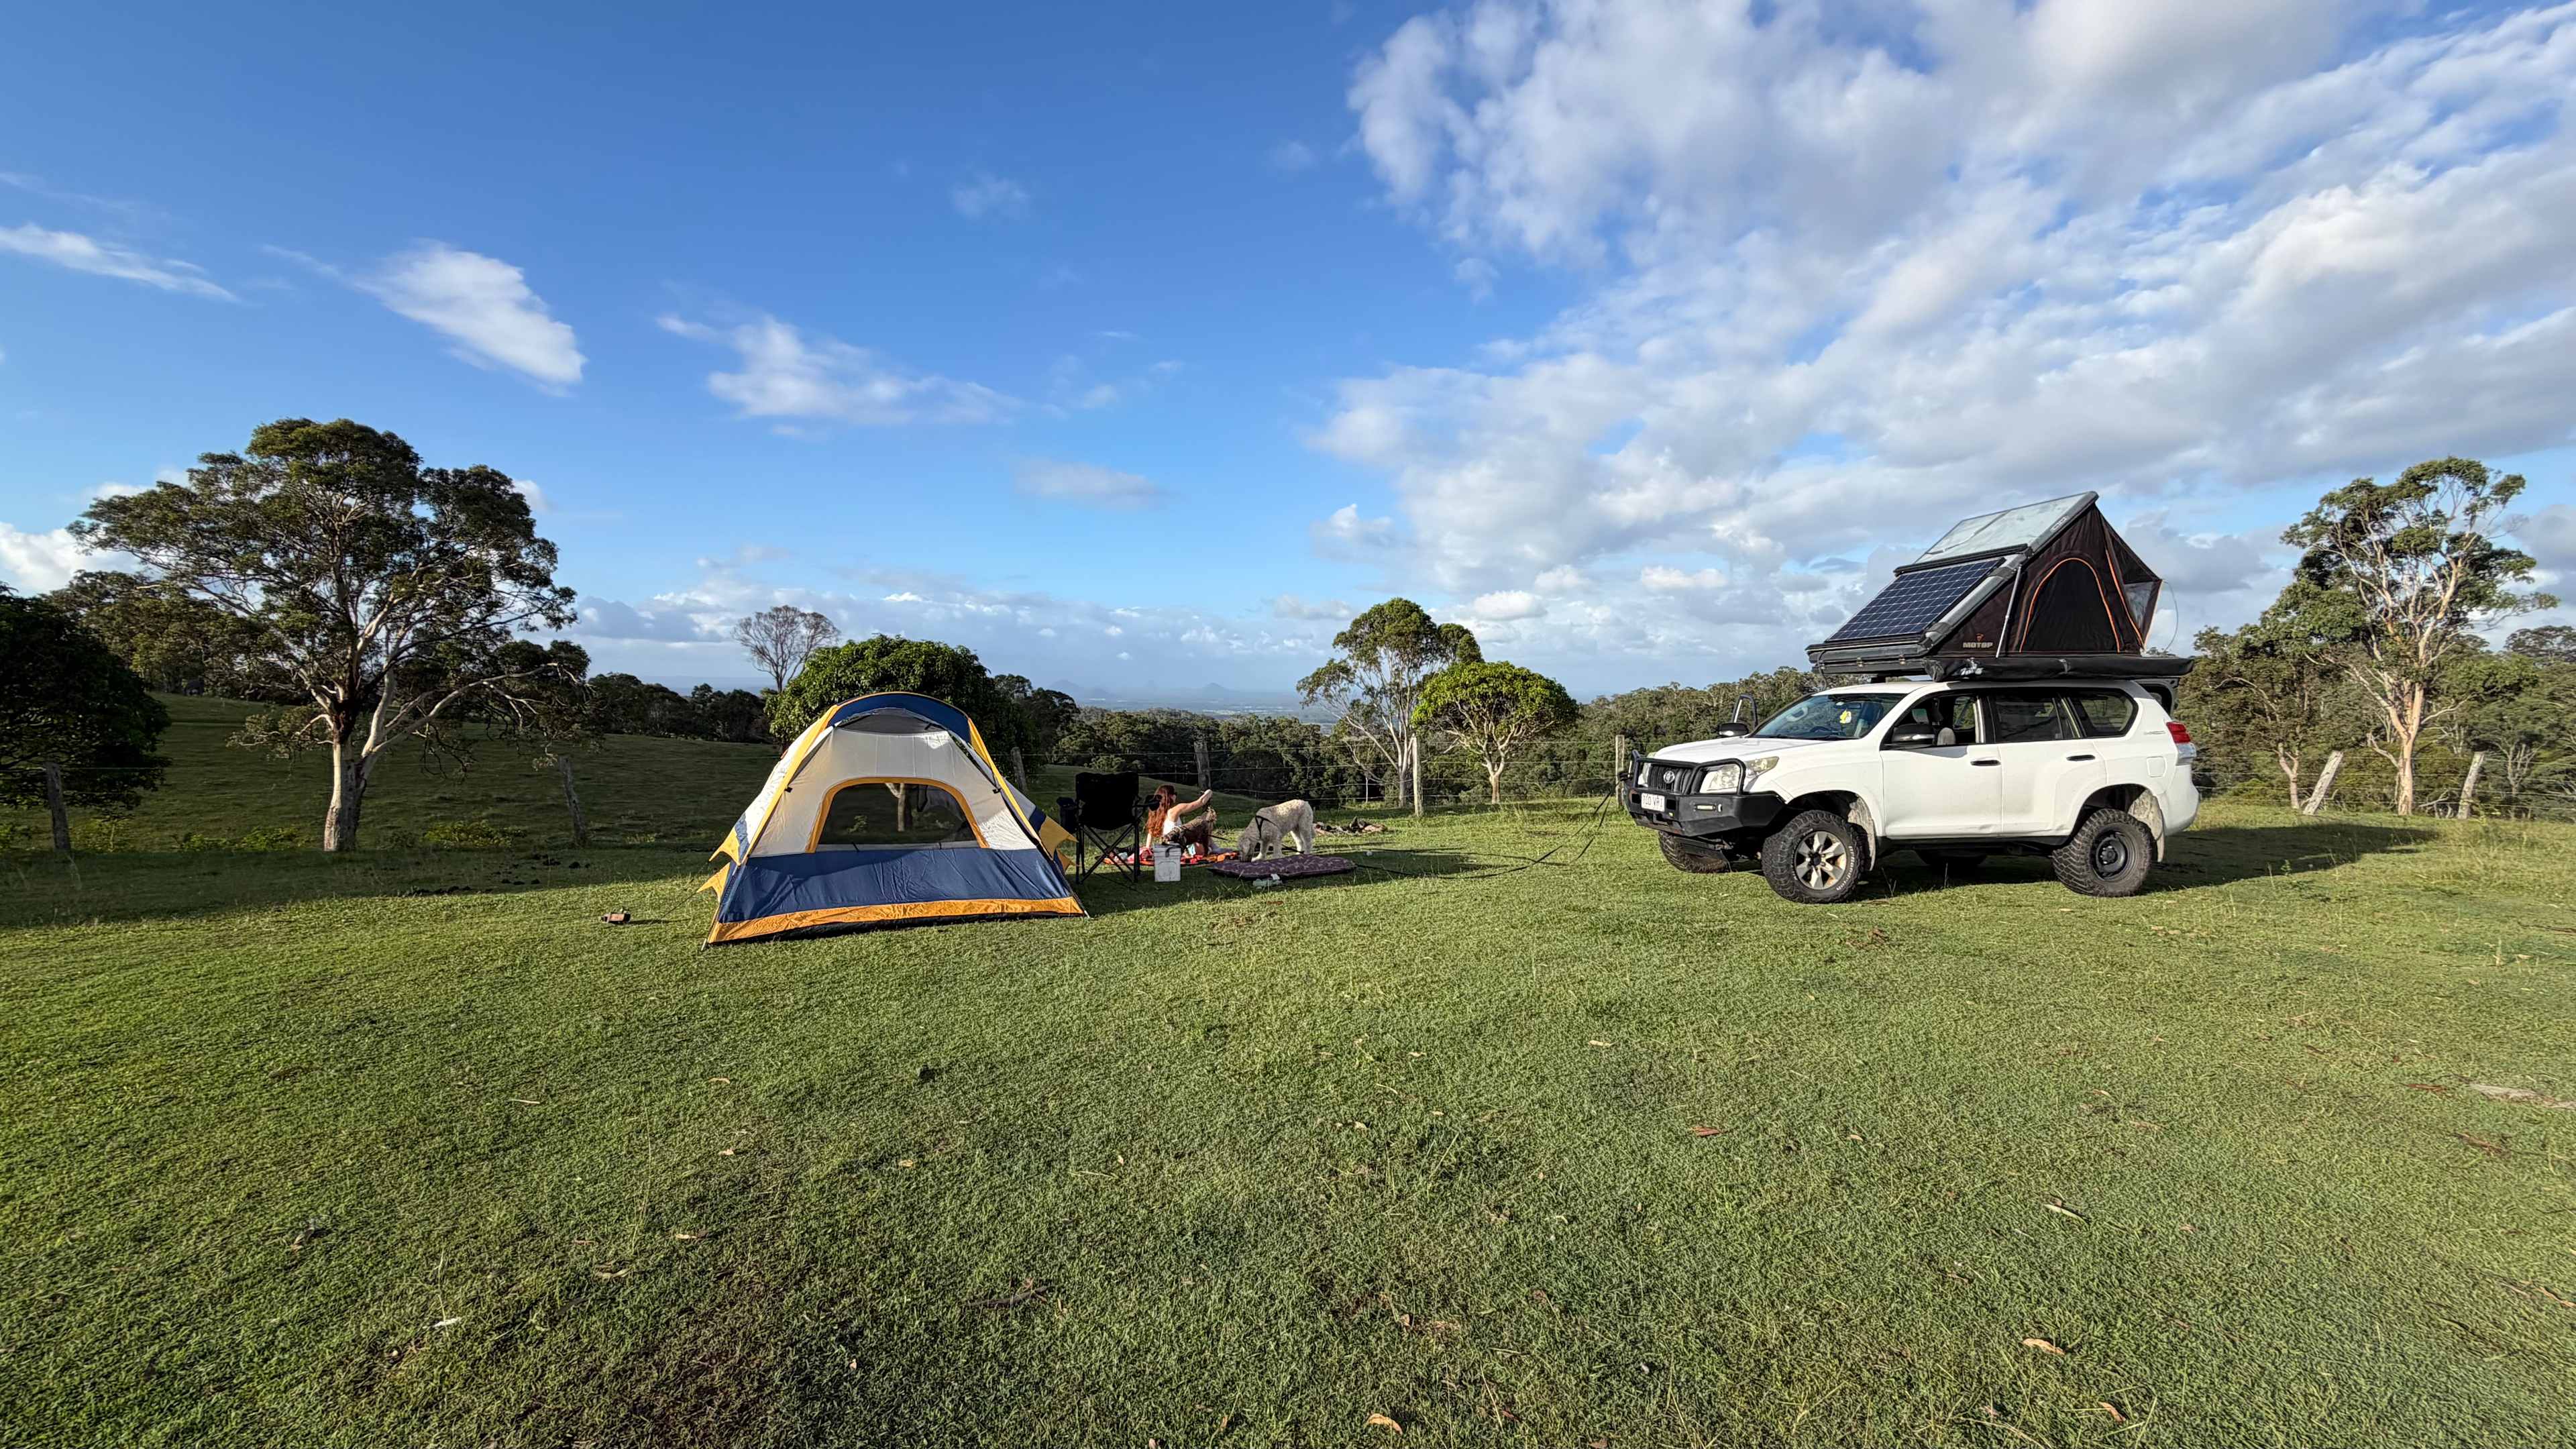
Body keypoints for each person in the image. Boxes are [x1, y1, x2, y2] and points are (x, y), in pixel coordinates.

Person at [1146, 784, 1217, 857]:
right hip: (1181, 846)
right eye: (1175, 794)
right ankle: (1214, 849)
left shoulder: (1155, 812)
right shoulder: (1175, 810)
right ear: (1170, 796)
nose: (1176, 796)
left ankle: (1214, 848)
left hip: (1167, 847)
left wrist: (1147, 849)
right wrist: (1209, 792)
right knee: (1201, 826)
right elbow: (1201, 802)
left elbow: (1150, 833)